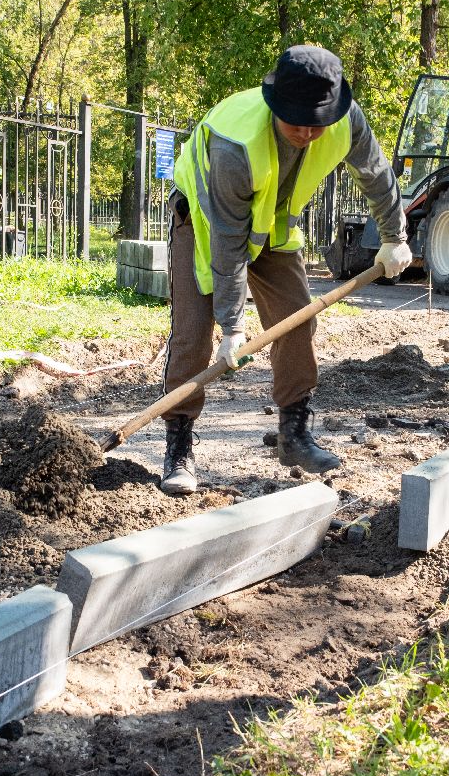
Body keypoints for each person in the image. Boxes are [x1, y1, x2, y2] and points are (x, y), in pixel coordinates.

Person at [159, 45, 410, 496]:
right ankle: (179, 445)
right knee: (194, 336)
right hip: (205, 225)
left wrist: (395, 237)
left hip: (272, 228)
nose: (308, 132)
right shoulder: (235, 144)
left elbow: (375, 173)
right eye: (297, 120)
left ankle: (294, 435)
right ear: (275, 105)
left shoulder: (345, 120)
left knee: (297, 320)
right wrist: (231, 325)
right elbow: (228, 241)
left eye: (318, 122)